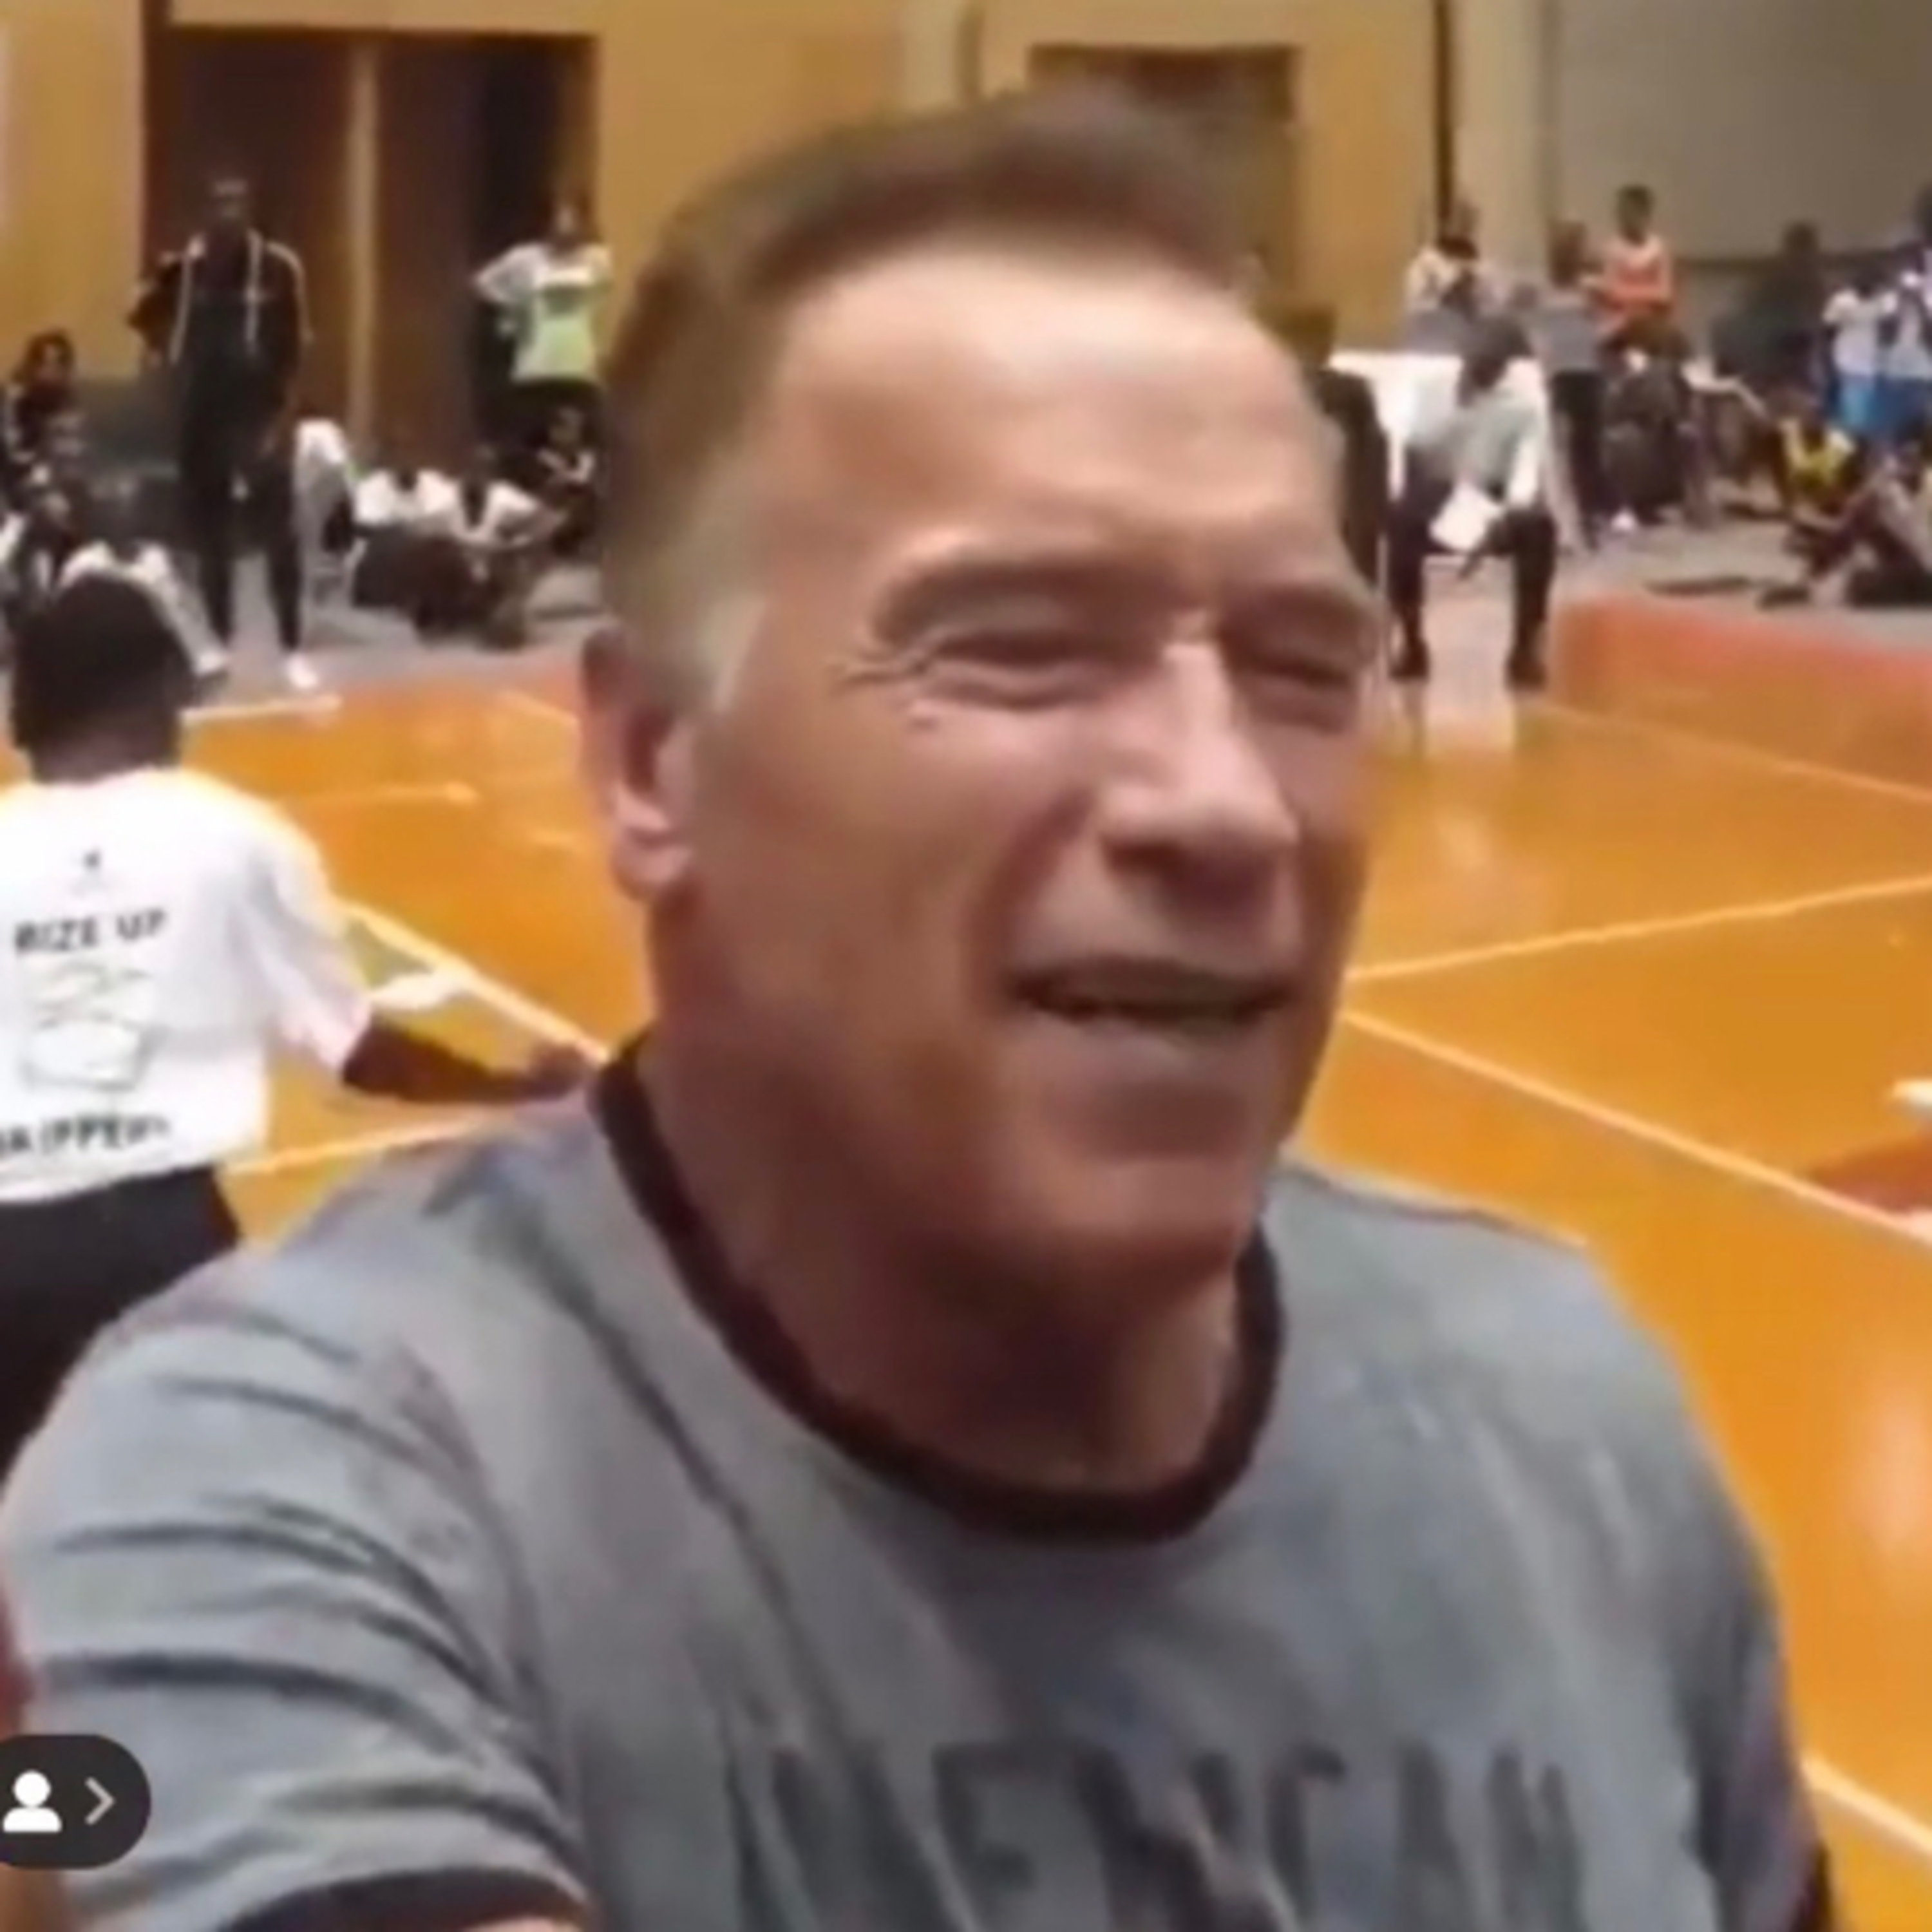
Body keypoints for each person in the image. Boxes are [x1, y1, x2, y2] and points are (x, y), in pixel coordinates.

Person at [0, 91, 1833, 1932]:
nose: (1224, 802)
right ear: (651, 762)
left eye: (1301, 664)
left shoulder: (1573, 1418)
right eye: (1020, 648)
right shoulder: (264, 1502)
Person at [0, 576, 586, 1481]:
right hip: (162, 1244)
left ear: (24, 716)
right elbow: (356, 1051)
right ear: (167, 693)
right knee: (198, 1509)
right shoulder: (238, 838)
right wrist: (518, 1087)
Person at [129, 171, 312, 690]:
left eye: (237, 204)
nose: (227, 214)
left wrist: (284, 418)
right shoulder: (184, 270)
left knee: (279, 531)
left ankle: (292, 646)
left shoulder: (278, 268)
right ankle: (220, 643)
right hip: (202, 413)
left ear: (249, 210)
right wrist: (166, 360)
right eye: (218, 205)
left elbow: (297, 349)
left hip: (259, 412)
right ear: (204, 213)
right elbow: (143, 320)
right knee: (211, 536)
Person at [1386, 317, 1559, 688]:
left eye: (1494, 360)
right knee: (1399, 520)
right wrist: (1460, 409)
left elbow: (1527, 466)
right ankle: (1412, 642)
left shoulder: (1525, 405)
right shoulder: (1432, 389)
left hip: (1492, 496)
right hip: (1440, 489)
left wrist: (1509, 513)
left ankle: (1525, 647)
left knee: (1540, 528)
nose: (1485, 366)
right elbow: (1416, 445)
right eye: (1478, 356)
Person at [473, 196, 612, 457]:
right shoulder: (526, 260)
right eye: (560, 218)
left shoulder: (595, 260)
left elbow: (602, 293)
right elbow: (484, 284)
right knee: (532, 439)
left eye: (572, 218)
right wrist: (514, 310)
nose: (565, 226)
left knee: (584, 440)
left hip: (579, 366)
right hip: (535, 365)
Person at [59, 476, 223, 678]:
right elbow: (65, 622)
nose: (122, 524)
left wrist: (206, 656)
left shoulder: (156, 556)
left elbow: (179, 609)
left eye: (127, 516)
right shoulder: (85, 565)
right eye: (114, 517)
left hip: (164, 661)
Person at [1532, 219, 1611, 544]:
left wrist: (1596, 339)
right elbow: (1528, 325)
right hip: (1557, 374)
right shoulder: (1539, 290)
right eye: (1565, 248)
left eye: (1575, 248)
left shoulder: (1591, 289)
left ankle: (1590, 514)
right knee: (1559, 446)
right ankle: (1565, 515)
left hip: (1586, 372)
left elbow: (1606, 323)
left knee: (1587, 448)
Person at [1, 332, 77, 499]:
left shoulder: (66, 399)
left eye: (60, 364)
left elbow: (72, 444)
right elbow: (14, 448)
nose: (52, 371)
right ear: (32, 365)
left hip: (49, 480)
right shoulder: (15, 398)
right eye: (45, 363)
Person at [1599, 184, 1676, 344]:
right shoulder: (1612, 249)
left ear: (1644, 214)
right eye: (1620, 212)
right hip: (1619, 325)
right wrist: (1648, 293)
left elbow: (1664, 294)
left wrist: (1628, 293)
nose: (1622, 217)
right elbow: (1611, 293)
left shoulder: (1659, 248)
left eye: (1628, 211)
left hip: (1652, 323)